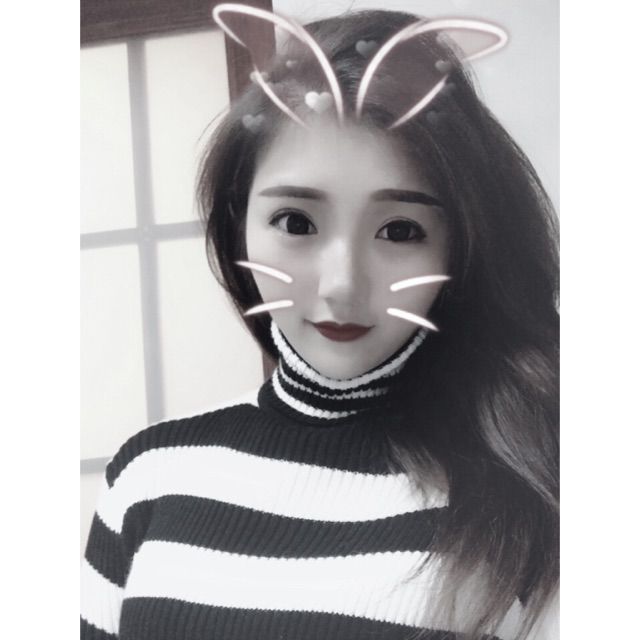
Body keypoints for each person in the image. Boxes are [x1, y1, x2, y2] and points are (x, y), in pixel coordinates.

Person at [81, 5, 559, 640]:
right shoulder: (151, 471)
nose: (341, 284)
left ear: (461, 248)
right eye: (296, 223)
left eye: (400, 231)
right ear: (238, 225)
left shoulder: (537, 485)